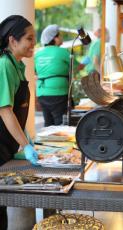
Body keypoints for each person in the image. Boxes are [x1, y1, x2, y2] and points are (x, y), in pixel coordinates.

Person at [0, 14, 38, 230]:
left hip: (6, 144)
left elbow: (17, 110)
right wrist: (25, 145)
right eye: (29, 39)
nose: (33, 43)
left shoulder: (18, 65)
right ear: (13, 41)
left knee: (2, 203)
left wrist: (25, 139)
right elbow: (5, 111)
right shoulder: (4, 65)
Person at [35, 24, 83, 127]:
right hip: (58, 93)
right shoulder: (62, 52)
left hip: (42, 93)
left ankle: (47, 142)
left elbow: (35, 72)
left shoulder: (38, 53)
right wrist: (85, 63)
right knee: (60, 125)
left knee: (48, 124)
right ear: (55, 38)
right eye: (59, 35)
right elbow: (76, 67)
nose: (61, 38)